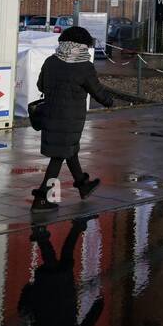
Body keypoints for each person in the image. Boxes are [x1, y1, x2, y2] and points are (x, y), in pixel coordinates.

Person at [32, 25, 114, 211]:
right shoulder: (84, 66)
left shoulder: (51, 61)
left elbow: (40, 85)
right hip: (70, 119)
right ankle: (42, 199)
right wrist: (109, 102)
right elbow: (97, 91)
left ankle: (83, 185)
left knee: (69, 150)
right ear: (82, 45)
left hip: (50, 115)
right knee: (59, 156)